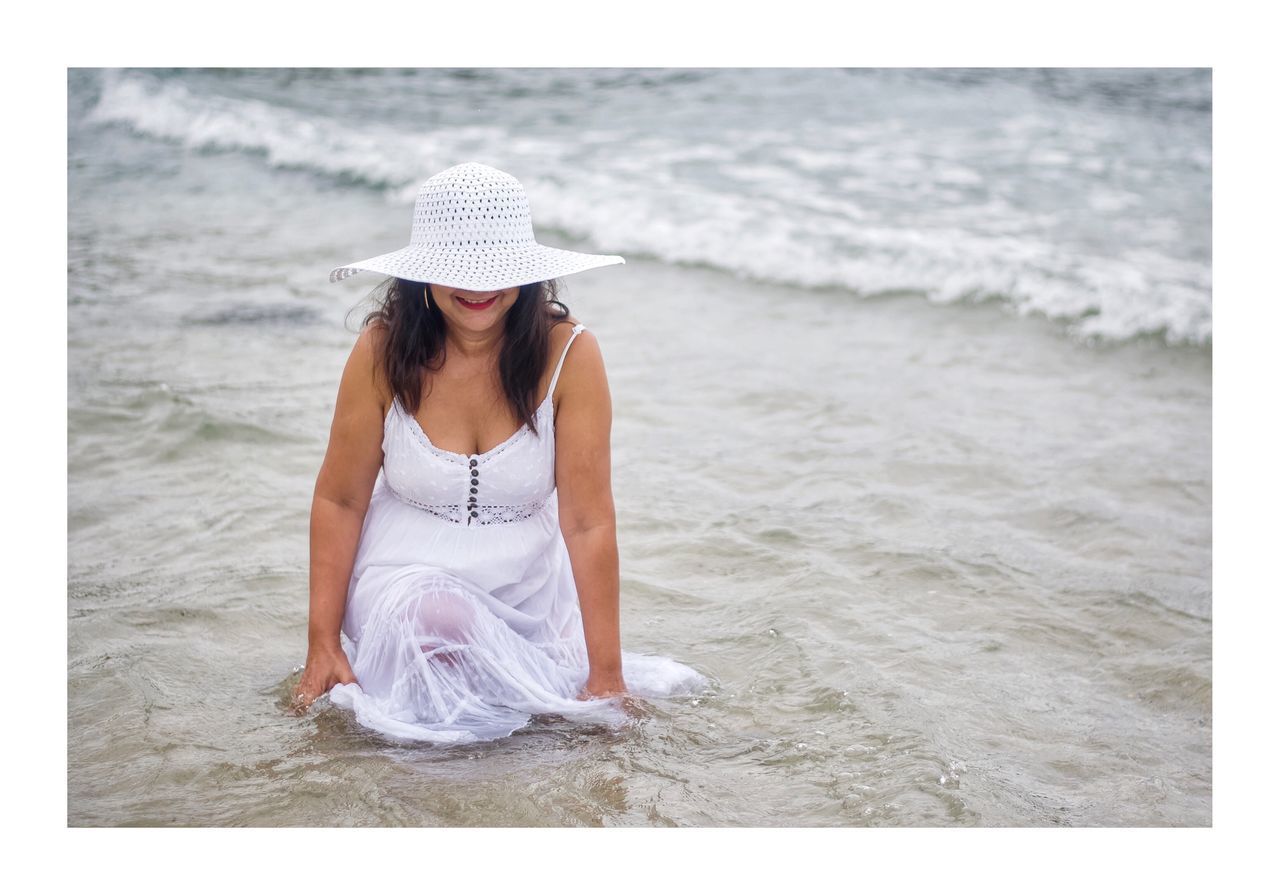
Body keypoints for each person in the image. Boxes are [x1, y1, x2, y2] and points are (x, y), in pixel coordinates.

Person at [291, 162, 704, 744]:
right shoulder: (381, 350)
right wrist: (323, 644)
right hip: (402, 585)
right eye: (457, 268)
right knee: (434, 622)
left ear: (528, 272)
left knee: (531, 735)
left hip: (528, 594)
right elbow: (339, 499)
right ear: (423, 274)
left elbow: (588, 522)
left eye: (498, 268)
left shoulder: (571, 355)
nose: (479, 286)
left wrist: (605, 674)